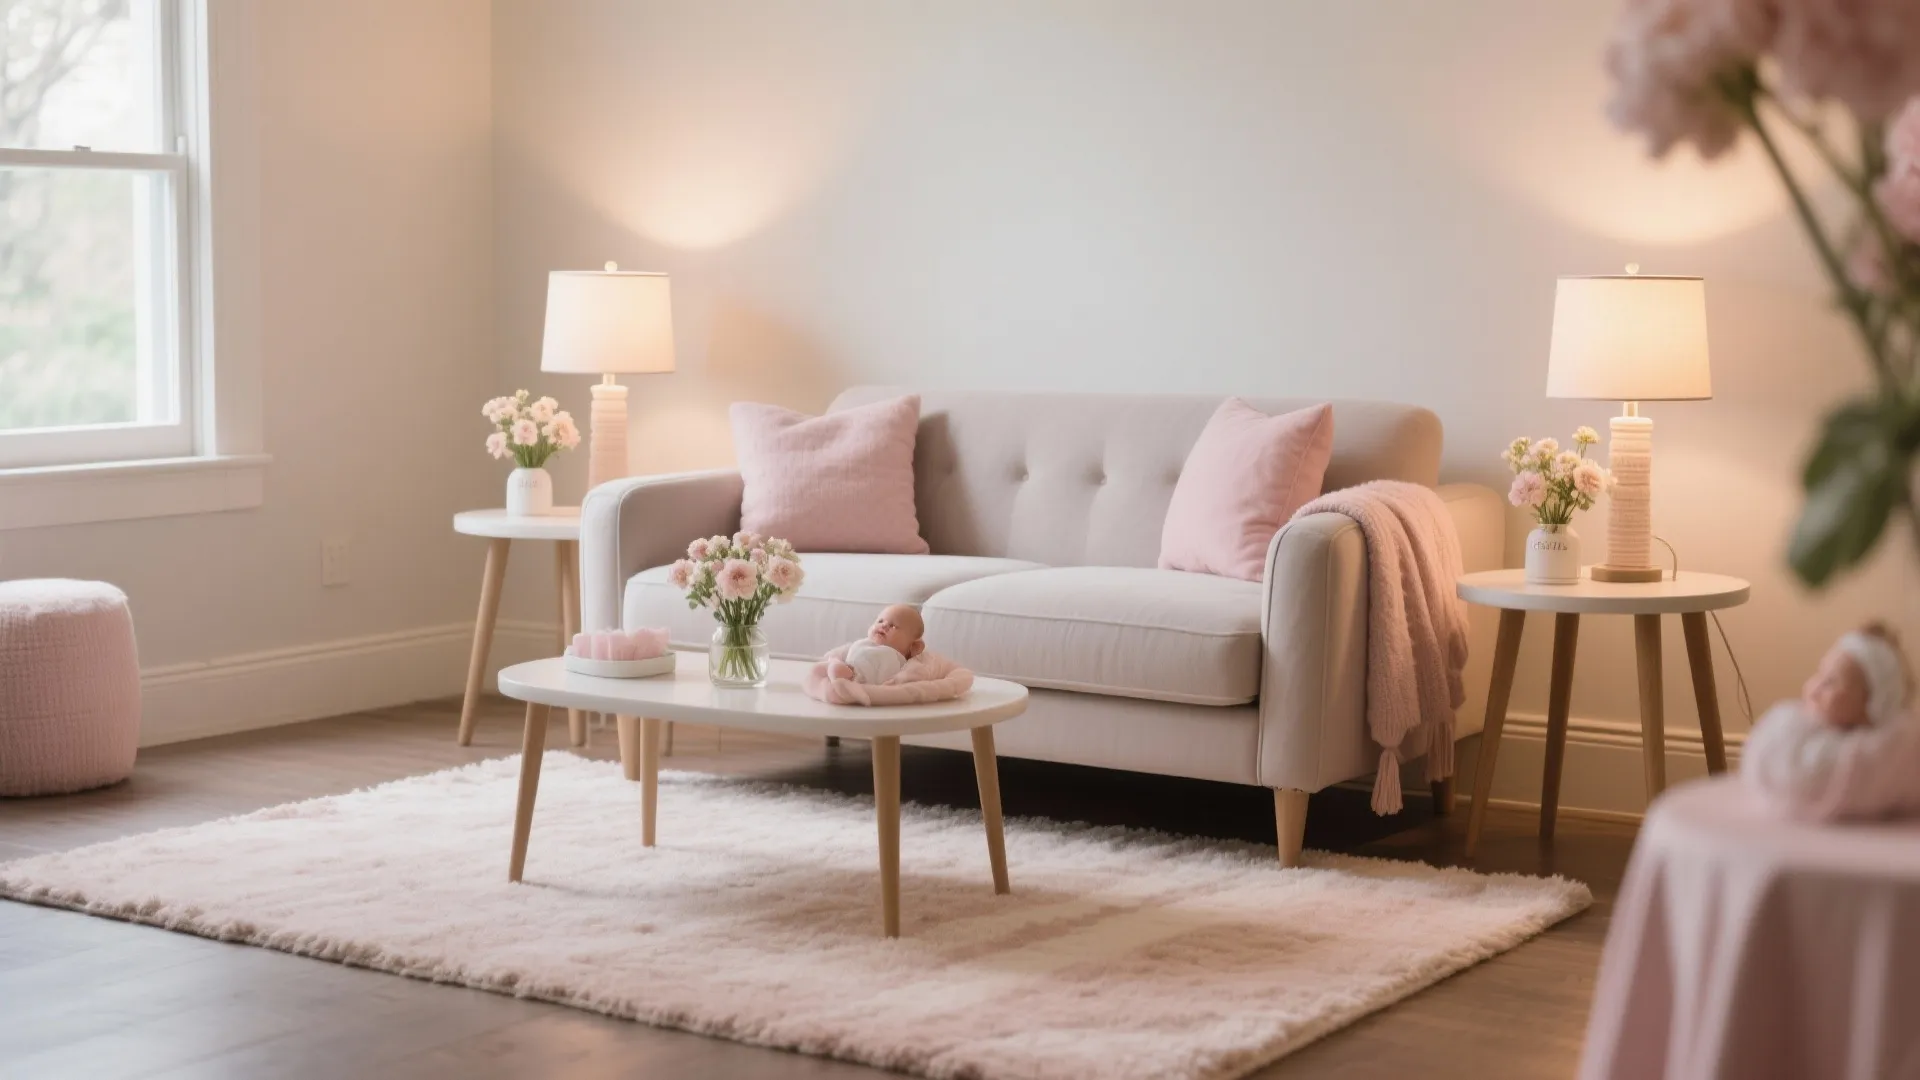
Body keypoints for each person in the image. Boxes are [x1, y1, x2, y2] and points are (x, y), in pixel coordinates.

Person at [826, 605, 926, 686]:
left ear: (914, 646)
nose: (884, 625)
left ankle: (842, 676)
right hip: (848, 669)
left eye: (893, 626)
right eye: (880, 621)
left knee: (836, 669)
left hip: (857, 677)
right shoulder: (864, 643)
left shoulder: (898, 658)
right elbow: (841, 652)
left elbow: (913, 676)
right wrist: (833, 657)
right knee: (830, 665)